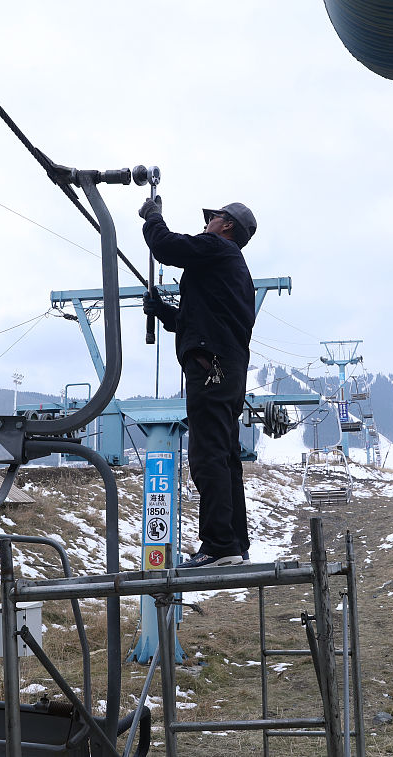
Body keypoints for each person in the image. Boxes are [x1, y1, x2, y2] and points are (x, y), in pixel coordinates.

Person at [140, 196, 257, 569]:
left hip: (210, 366)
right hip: (227, 368)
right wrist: (164, 312)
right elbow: (201, 319)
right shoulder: (234, 270)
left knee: (207, 454)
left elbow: (166, 246)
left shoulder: (217, 248)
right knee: (225, 455)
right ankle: (233, 542)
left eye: (213, 218)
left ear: (227, 225)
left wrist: (153, 218)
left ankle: (218, 546)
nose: (207, 223)